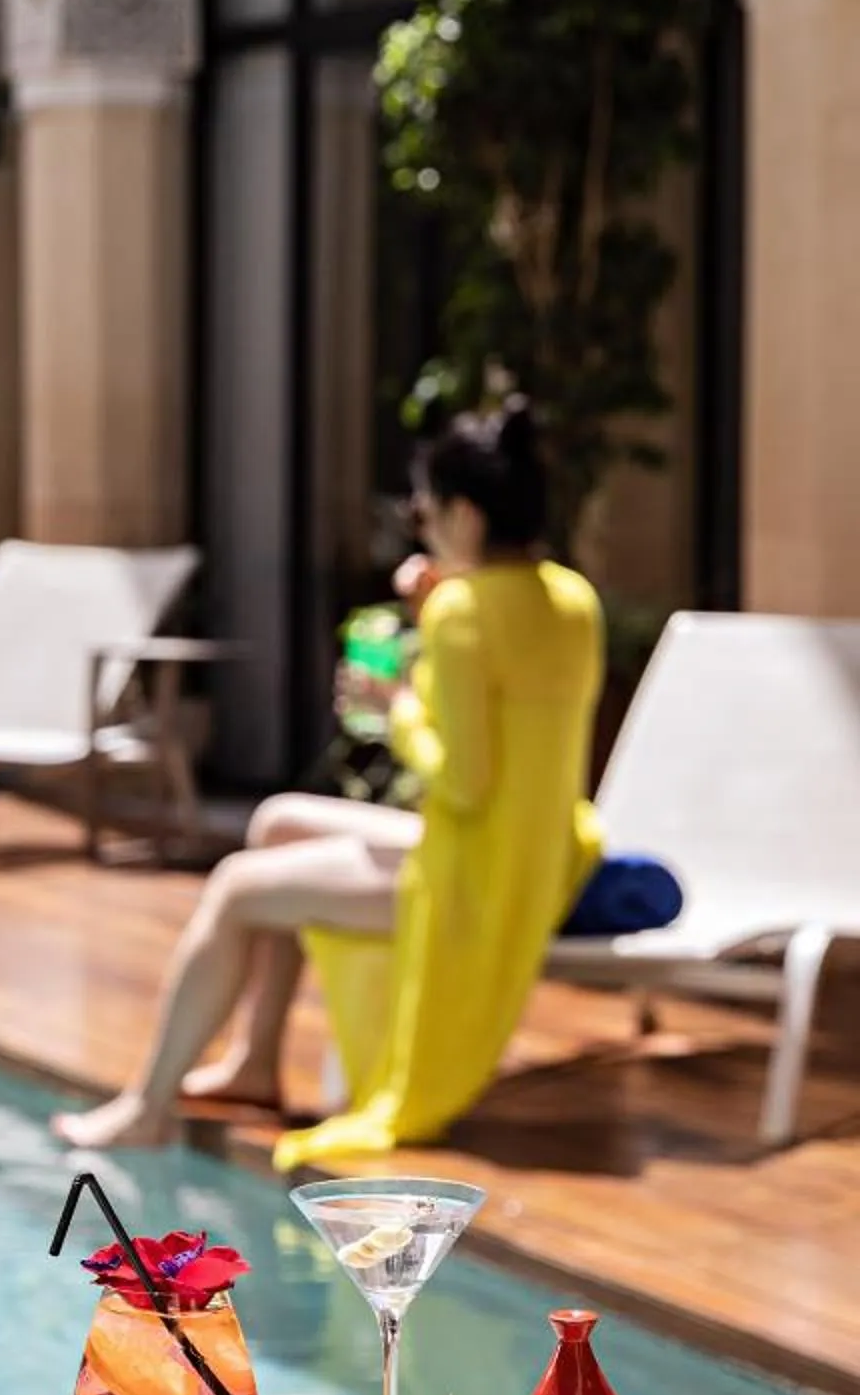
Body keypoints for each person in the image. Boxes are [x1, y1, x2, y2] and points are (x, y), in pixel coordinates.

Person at [54, 397, 604, 1163]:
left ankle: (147, 1106)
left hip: (467, 886)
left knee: (238, 886)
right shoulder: (574, 601)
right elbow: (511, 742)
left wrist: (399, 705)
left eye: (428, 511)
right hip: (528, 859)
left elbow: (465, 781)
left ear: (466, 516)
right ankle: (253, 1063)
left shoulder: (462, 616)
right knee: (278, 820)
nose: (424, 527)